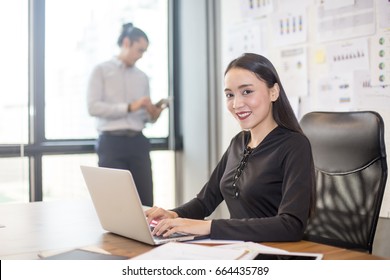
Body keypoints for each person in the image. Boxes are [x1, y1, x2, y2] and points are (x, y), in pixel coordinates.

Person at [146, 53, 316, 242]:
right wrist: (173, 215)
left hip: (274, 254)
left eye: (247, 92)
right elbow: (205, 201)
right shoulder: (239, 142)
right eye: (230, 95)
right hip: (237, 249)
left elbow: (290, 226)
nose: (236, 104)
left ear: (273, 92)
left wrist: (209, 226)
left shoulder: (294, 145)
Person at [87, 23, 166, 206]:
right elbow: (93, 107)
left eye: (144, 52)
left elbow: (145, 118)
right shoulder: (101, 70)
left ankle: (146, 235)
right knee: (114, 203)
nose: (140, 56)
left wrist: (153, 114)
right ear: (126, 42)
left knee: (145, 200)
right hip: (111, 143)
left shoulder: (142, 77)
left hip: (138, 142)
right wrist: (129, 107)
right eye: (139, 50)